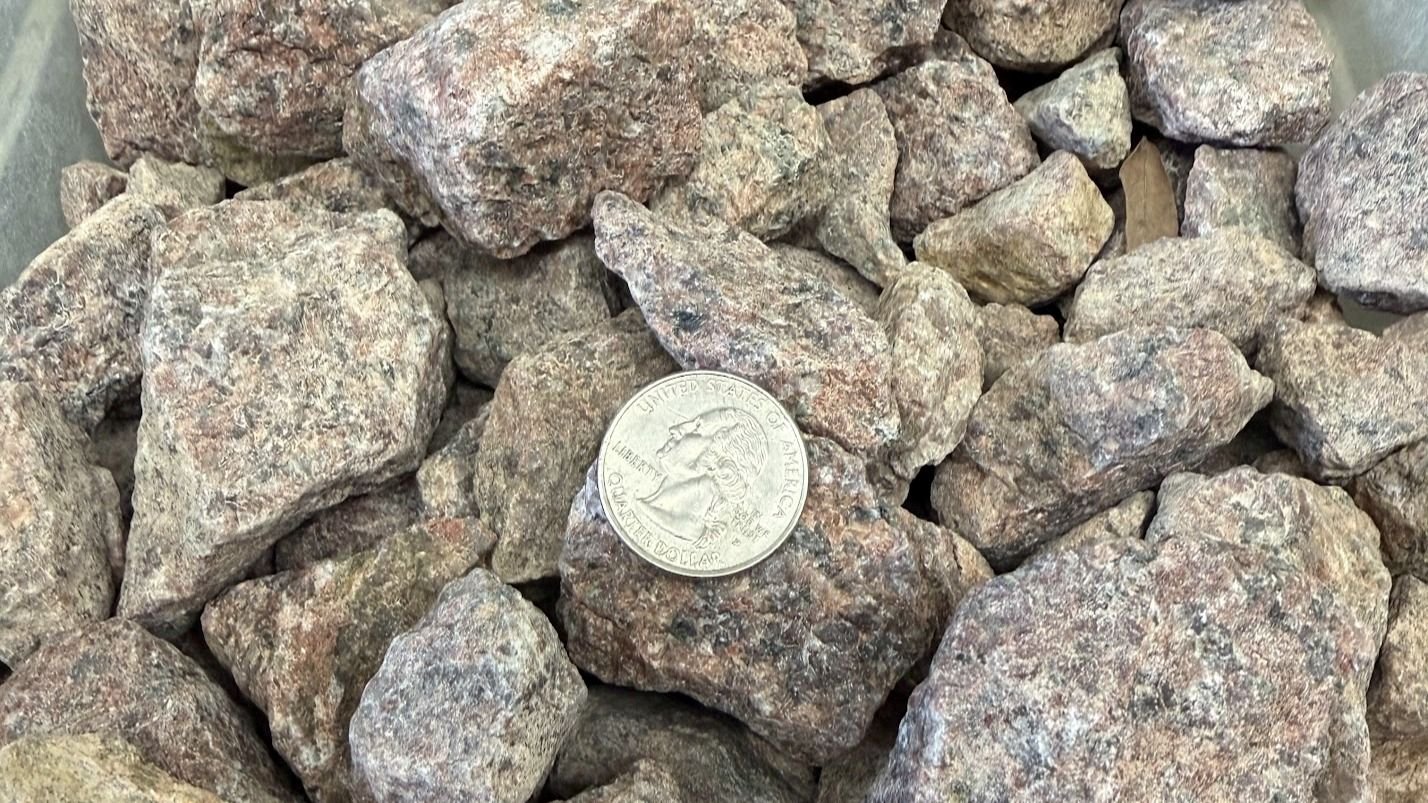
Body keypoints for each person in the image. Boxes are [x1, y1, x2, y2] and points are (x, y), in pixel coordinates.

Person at [634, 406, 768, 549]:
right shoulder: (650, 505)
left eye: (696, 429)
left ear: (712, 462)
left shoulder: (686, 527)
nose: (674, 429)